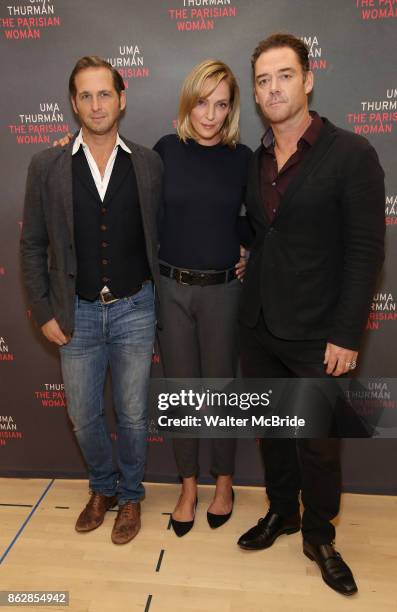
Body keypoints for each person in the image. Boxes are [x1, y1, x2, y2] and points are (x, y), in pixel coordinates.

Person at [237, 33, 385, 595]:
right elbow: (258, 232)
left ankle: (319, 535)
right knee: (273, 433)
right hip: (259, 326)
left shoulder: (352, 154)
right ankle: (283, 511)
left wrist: (347, 333)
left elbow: (367, 251)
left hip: (321, 332)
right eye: (263, 80)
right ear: (255, 92)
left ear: (308, 79)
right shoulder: (255, 160)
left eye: (284, 75)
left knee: (318, 442)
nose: (273, 88)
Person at [20, 56, 163, 545]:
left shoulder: (147, 162)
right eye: (86, 95)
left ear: (122, 99)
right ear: (74, 104)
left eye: (105, 94)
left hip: (135, 308)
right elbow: (32, 243)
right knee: (83, 415)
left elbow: (168, 231)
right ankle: (102, 487)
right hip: (74, 311)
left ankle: (131, 495)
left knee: (133, 413)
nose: (96, 104)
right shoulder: (48, 165)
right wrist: (42, 309)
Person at [153, 60, 252, 536]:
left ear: (232, 108)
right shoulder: (166, 151)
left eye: (221, 104)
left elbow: (260, 219)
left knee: (221, 393)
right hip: (171, 289)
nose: (210, 115)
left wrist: (250, 249)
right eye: (202, 102)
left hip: (222, 292)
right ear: (188, 101)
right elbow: (134, 205)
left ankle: (224, 483)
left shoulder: (243, 158)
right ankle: (188, 486)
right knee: (181, 393)